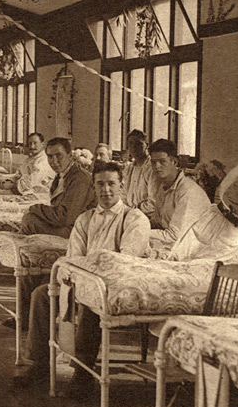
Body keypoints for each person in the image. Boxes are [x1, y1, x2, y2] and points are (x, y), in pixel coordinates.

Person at [13, 161, 150, 393]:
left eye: (111, 184)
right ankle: (40, 364)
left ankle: (83, 371)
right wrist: (74, 277)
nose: (106, 189)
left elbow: (126, 260)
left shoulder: (134, 219)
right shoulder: (85, 219)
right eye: (100, 184)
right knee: (42, 295)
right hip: (84, 279)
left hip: (116, 285)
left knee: (90, 300)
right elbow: (73, 257)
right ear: (94, 188)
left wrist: (89, 276)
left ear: (122, 186)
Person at [146, 138, 211, 256]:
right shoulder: (163, 186)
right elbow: (156, 222)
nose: (157, 166)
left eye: (162, 161)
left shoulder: (187, 191)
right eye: (153, 162)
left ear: (174, 162)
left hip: (193, 249)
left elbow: (174, 236)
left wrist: (139, 231)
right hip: (173, 244)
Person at [19, 138, 94, 238]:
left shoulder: (80, 178)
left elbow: (64, 217)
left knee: (30, 221)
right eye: (50, 157)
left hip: (80, 231)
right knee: (30, 219)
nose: (54, 161)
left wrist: (34, 208)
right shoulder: (61, 175)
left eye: (59, 156)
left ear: (70, 156)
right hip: (69, 225)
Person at [122, 129, 155, 217]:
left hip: (148, 216)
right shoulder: (128, 169)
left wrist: (132, 212)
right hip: (130, 214)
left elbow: (153, 203)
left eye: (138, 144)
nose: (134, 147)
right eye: (131, 143)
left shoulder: (152, 169)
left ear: (146, 145)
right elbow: (122, 195)